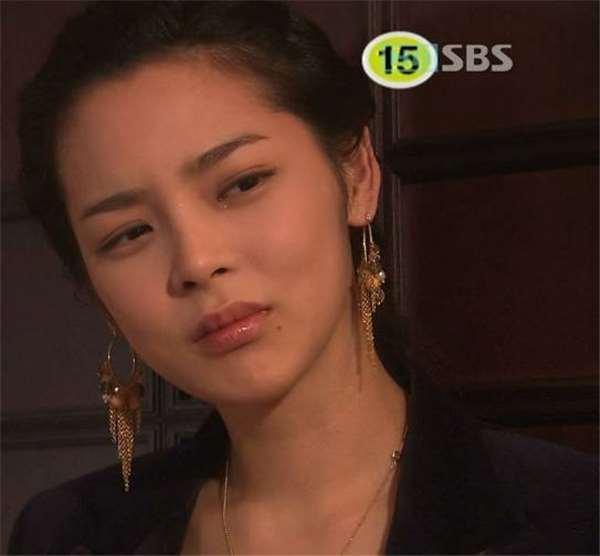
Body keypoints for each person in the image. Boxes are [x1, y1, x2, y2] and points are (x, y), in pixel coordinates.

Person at [7, 2, 597, 554]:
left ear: (357, 175)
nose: (196, 261)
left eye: (243, 184)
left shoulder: (571, 517)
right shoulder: (66, 535)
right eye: (130, 233)